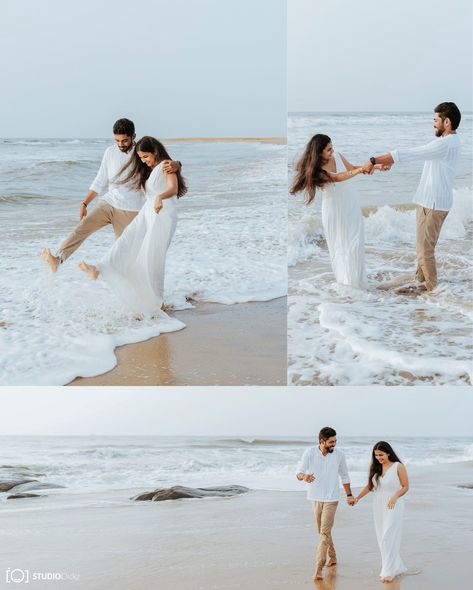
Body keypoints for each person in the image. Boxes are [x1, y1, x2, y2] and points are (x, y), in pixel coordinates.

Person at [41, 118, 180, 272]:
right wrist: (85, 203)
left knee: (124, 251)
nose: (120, 144)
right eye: (117, 140)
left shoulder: (140, 153)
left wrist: (177, 164)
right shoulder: (110, 152)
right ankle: (58, 259)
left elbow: (159, 163)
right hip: (108, 202)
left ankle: (115, 281)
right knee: (81, 228)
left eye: (124, 140)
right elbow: (100, 180)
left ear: (134, 136)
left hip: (131, 209)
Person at [79, 136, 187, 316]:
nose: (144, 161)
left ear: (155, 152)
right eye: (141, 158)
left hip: (163, 215)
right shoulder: (148, 169)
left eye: (146, 157)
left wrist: (160, 196)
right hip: (148, 212)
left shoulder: (167, 165)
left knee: (152, 257)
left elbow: (173, 189)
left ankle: (157, 301)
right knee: (128, 239)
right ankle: (100, 268)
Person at [363, 102, 462, 294]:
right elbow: (424, 158)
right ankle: (421, 280)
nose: (434, 124)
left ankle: (433, 291)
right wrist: (389, 163)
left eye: (436, 120)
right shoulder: (451, 143)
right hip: (435, 201)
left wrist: (374, 160)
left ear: (447, 122)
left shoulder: (444, 144)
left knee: (424, 249)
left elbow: (410, 153)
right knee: (424, 247)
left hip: (433, 203)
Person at [290, 134, 388, 289]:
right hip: (333, 210)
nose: (332, 152)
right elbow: (338, 177)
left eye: (332, 148)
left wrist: (375, 167)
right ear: (319, 152)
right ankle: (347, 285)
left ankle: (358, 284)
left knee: (356, 243)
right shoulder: (317, 170)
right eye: (328, 150)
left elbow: (352, 169)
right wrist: (362, 168)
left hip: (350, 205)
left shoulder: (338, 156)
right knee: (340, 246)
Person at [296, 426, 355, 581]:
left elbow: (344, 475)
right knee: (322, 531)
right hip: (315, 497)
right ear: (322, 441)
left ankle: (318, 568)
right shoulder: (309, 452)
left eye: (335, 441)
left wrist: (349, 495)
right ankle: (333, 556)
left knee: (323, 533)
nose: (334, 444)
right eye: (331, 442)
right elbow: (299, 472)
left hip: (332, 498)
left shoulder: (339, 455)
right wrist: (304, 477)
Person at [355, 441, 409, 583]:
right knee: (382, 538)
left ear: (388, 453)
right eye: (376, 455)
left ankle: (388, 571)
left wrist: (395, 497)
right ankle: (393, 567)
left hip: (394, 505)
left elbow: (405, 486)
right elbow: (369, 486)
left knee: (388, 536)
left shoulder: (398, 466)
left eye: (381, 454)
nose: (378, 457)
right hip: (378, 505)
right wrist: (357, 498)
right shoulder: (376, 468)